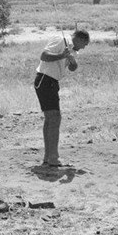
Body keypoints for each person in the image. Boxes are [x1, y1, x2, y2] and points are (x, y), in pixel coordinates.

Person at [34, 29, 90, 167]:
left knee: (51, 119)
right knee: (54, 118)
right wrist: (61, 55)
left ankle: (49, 157)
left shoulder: (72, 49)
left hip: (52, 82)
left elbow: (73, 68)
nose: (83, 48)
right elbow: (44, 55)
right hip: (45, 80)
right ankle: (53, 158)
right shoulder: (60, 40)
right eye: (85, 44)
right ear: (80, 39)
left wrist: (72, 60)